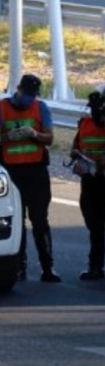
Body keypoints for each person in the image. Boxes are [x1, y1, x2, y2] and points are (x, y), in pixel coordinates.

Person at [0, 73, 61, 282]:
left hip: (36, 172)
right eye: (27, 94)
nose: (30, 99)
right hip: (11, 174)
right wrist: (7, 137)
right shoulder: (0, 108)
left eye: (33, 95)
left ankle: (48, 267)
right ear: (18, 90)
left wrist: (34, 134)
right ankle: (19, 267)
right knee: (16, 222)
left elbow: (49, 138)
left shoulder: (41, 108)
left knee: (40, 221)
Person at [69, 84, 105, 281]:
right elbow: (76, 144)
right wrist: (77, 156)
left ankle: (96, 265)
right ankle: (96, 267)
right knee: (94, 223)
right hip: (90, 179)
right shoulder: (84, 122)